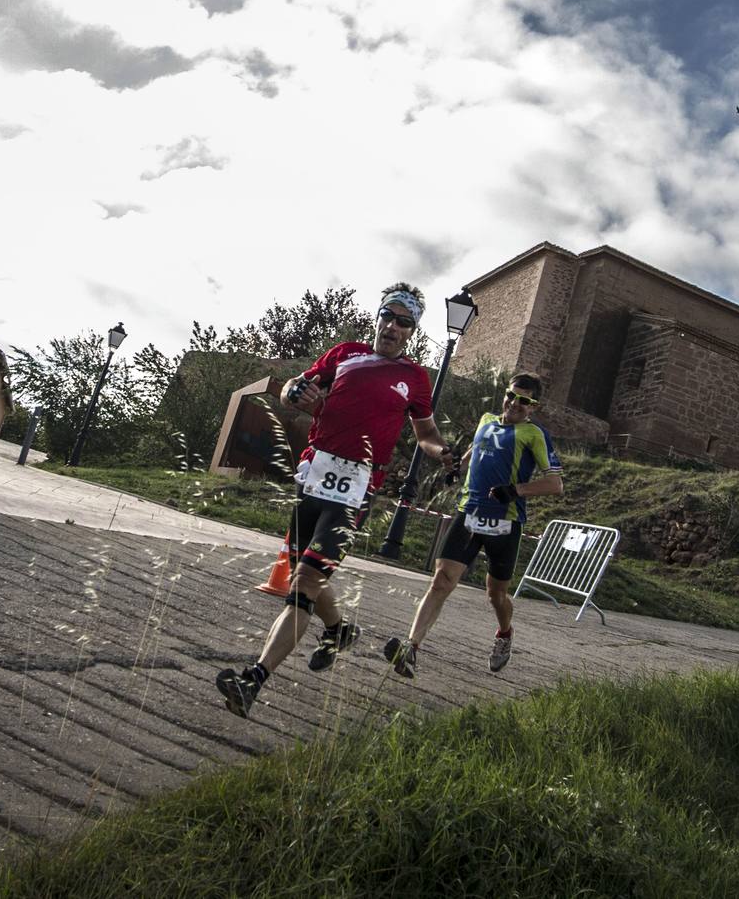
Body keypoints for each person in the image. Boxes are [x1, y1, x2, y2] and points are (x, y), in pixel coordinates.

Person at [215, 283, 455, 718]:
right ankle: (339, 630)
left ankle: (253, 679)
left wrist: (445, 456)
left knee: (305, 579)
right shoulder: (346, 354)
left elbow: (427, 436)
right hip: (313, 475)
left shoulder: (416, 379)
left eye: (405, 322)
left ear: (412, 331)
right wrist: (296, 395)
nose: (393, 327)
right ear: (378, 317)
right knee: (304, 575)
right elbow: (297, 385)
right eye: (388, 316)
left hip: (356, 488)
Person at [380, 373, 562, 677]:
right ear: (504, 394)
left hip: (505, 521)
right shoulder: (487, 419)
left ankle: (504, 633)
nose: (515, 403)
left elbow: (555, 484)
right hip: (469, 513)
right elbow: (475, 451)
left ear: (533, 407)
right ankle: (411, 648)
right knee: (441, 580)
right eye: (511, 395)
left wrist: (515, 490)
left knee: (496, 595)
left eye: (524, 401)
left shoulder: (534, 434)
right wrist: (456, 468)